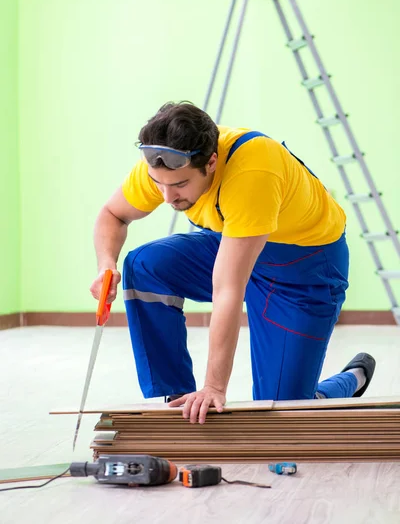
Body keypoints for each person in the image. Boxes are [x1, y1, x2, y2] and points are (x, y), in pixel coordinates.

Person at [90, 101, 376, 424]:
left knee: (282, 415)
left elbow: (228, 288)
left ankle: (350, 380)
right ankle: (178, 402)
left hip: (304, 270)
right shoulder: (164, 167)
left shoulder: (252, 172)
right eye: (160, 184)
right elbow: (112, 215)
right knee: (143, 267)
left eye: (180, 185)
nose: (167, 197)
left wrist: (214, 387)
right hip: (239, 244)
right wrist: (106, 264)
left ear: (211, 163)